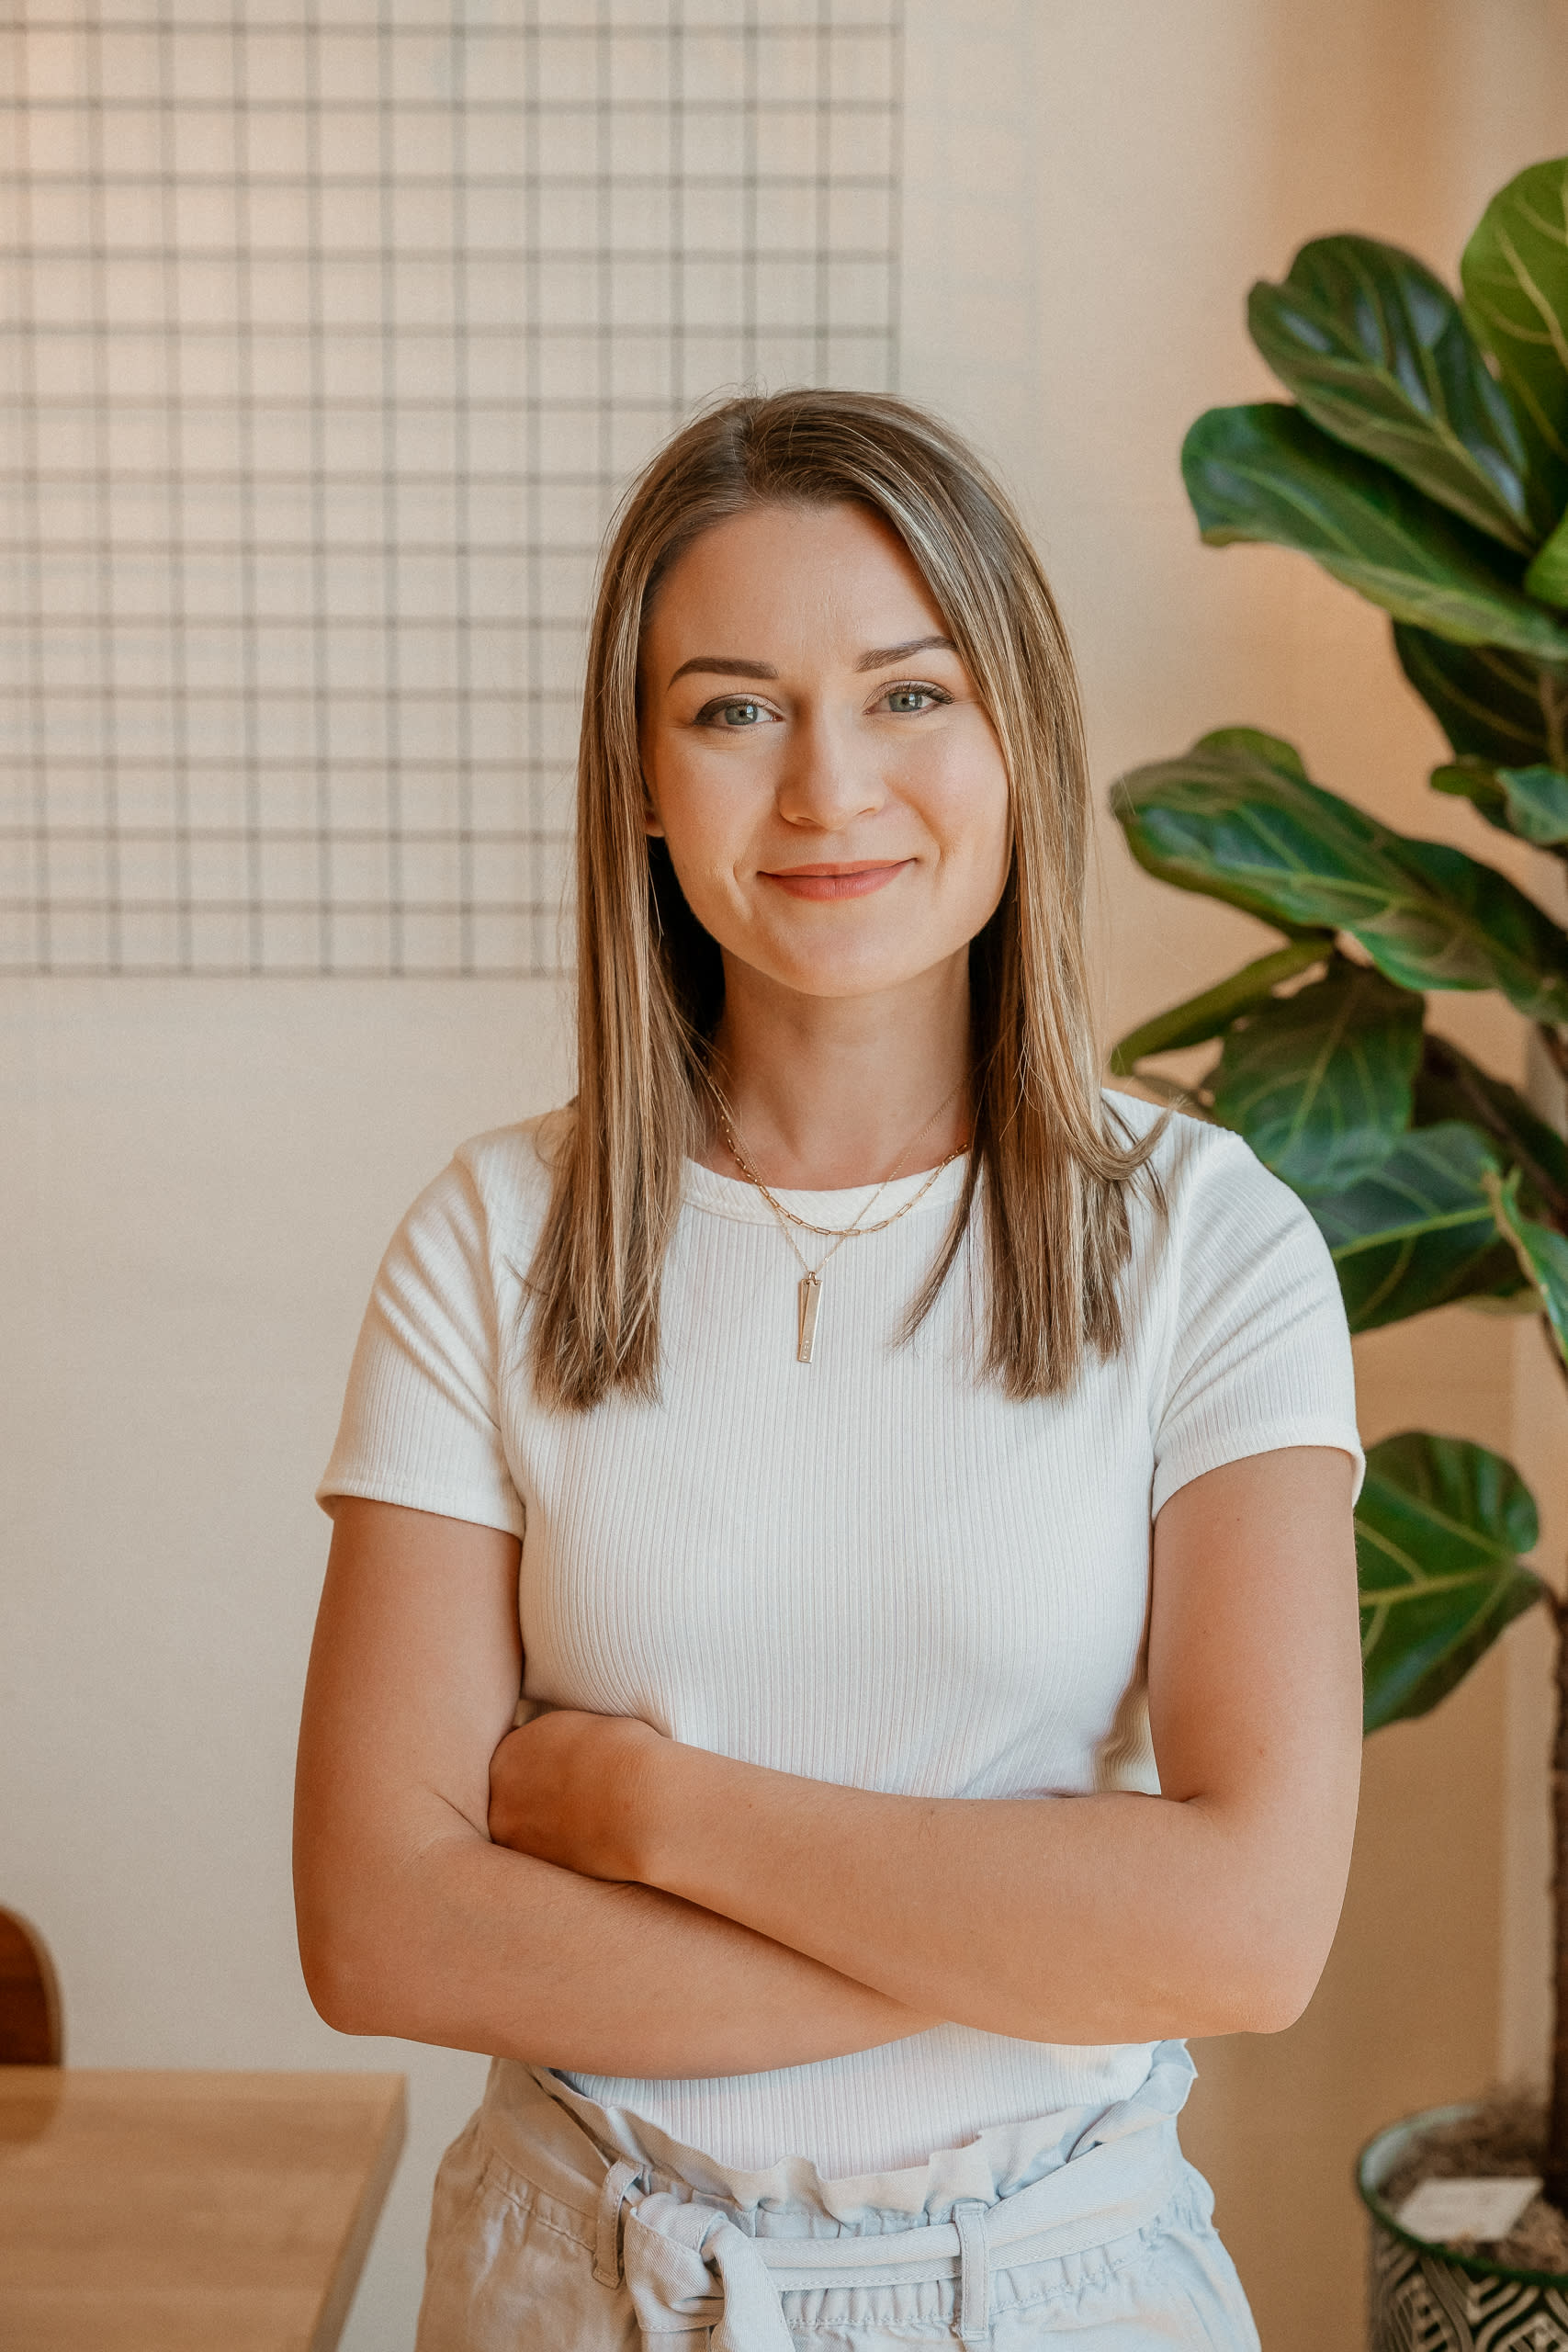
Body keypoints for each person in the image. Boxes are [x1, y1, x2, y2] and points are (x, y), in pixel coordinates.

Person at [293, 388, 1364, 2351]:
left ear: (1018, 736)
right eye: (733, 710)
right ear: (639, 776)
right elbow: (379, 1927)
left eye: (908, 694)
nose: (826, 787)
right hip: (579, 2284)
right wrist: (1032, 1941)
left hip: (1063, 2293)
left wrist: (648, 1810)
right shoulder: (492, 1237)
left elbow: (1250, 1932)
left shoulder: (1212, 1244)